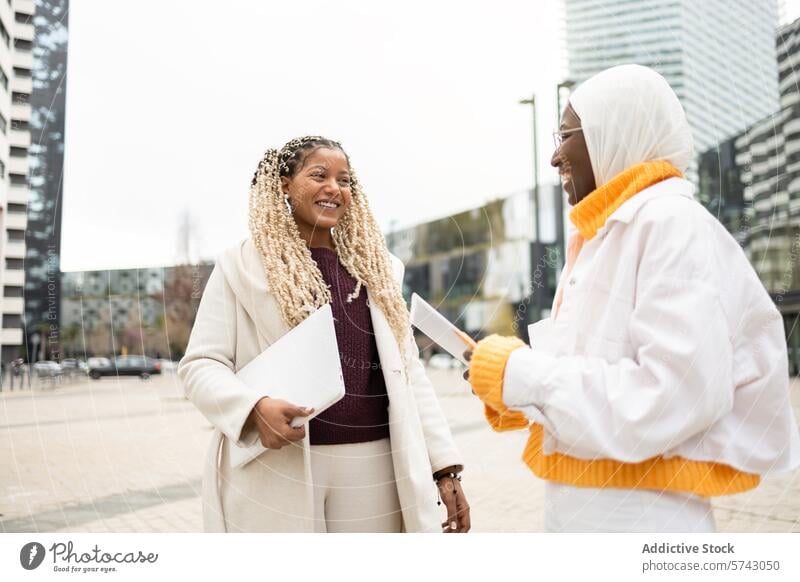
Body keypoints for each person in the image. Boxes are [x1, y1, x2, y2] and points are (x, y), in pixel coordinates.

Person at [463, 64, 800, 532]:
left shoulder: (670, 224)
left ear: (614, 134)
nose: (556, 157)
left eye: (566, 135)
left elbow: (670, 397)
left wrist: (522, 375)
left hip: (644, 522)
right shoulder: (603, 234)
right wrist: (512, 394)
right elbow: (596, 373)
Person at [178, 136, 469, 533]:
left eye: (344, 179)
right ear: (284, 184)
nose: (334, 187)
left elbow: (409, 373)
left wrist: (445, 467)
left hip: (373, 464)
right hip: (279, 466)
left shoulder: (378, 271)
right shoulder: (240, 267)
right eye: (319, 175)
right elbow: (200, 365)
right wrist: (252, 407)